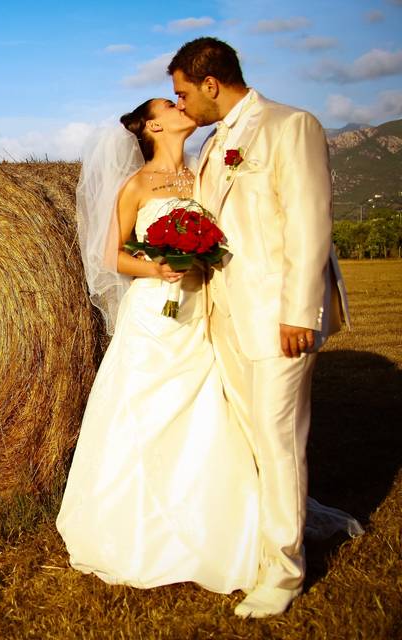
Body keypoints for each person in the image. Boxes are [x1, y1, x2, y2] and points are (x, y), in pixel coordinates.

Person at [167, 37, 351, 617]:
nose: (180, 106)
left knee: (276, 442)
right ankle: (278, 533)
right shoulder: (214, 143)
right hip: (227, 316)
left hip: (277, 319)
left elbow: (308, 221)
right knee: (252, 438)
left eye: (182, 93)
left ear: (211, 82)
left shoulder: (289, 126)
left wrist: (301, 313)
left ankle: (285, 573)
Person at [56, 98, 263, 594]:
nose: (182, 106)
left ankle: (217, 517)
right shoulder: (137, 185)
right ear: (153, 125)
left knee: (208, 402)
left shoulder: (203, 176)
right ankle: (141, 528)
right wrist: (158, 267)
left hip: (201, 310)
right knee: (147, 405)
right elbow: (111, 255)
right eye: (171, 104)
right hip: (154, 312)